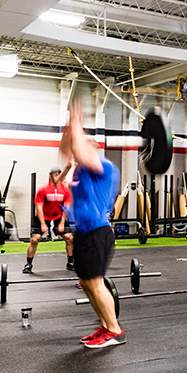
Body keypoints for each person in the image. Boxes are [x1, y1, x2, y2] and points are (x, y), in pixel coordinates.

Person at [59, 104, 122, 349]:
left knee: (95, 282)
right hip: (84, 233)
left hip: (98, 231)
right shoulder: (79, 172)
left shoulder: (104, 166)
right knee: (86, 282)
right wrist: (69, 127)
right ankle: (105, 326)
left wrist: (76, 123)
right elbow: (67, 149)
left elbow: (78, 149)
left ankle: (114, 330)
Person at [25, 162, 74, 273]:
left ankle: (70, 262)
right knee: (35, 239)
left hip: (58, 216)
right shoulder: (43, 189)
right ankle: (28, 264)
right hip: (43, 216)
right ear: (50, 175)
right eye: (55, 174)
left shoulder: (65, 190)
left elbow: (66, 207)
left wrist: (61, 223)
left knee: (69, 238)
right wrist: (43, 223)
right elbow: (39, 207)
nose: (57, 175)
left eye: (59, 174)